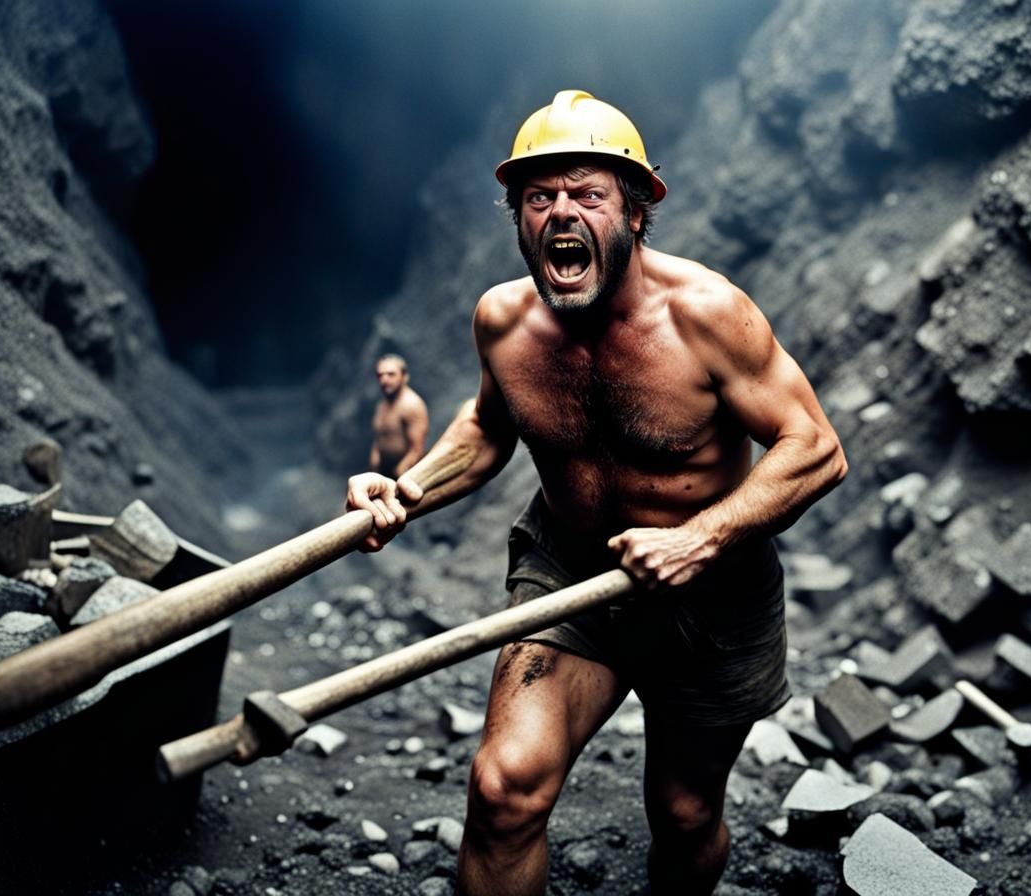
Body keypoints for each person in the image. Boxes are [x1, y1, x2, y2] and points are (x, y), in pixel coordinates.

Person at [346, 90, 846, 896]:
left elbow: (816, 449)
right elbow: (485, 432)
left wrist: (700, 538)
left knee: (684, 817)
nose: (560, 213)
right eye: (540, 198)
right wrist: (403, 493)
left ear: (637, 213)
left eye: (587, 194)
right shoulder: (503, 322)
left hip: (712, 596)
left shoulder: (708, 316)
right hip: (573, 576)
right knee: (503, 789)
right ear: (518, 219)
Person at [367, 353, 429, 478]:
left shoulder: (412, 405)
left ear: (404, 377)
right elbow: (380, 437)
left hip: (403, 475)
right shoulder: (382, 405)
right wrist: (374, 466)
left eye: (391, 374)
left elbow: (417, 450)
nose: (384, 380)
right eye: (380, 375)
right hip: (382, 472)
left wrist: (399, 475)